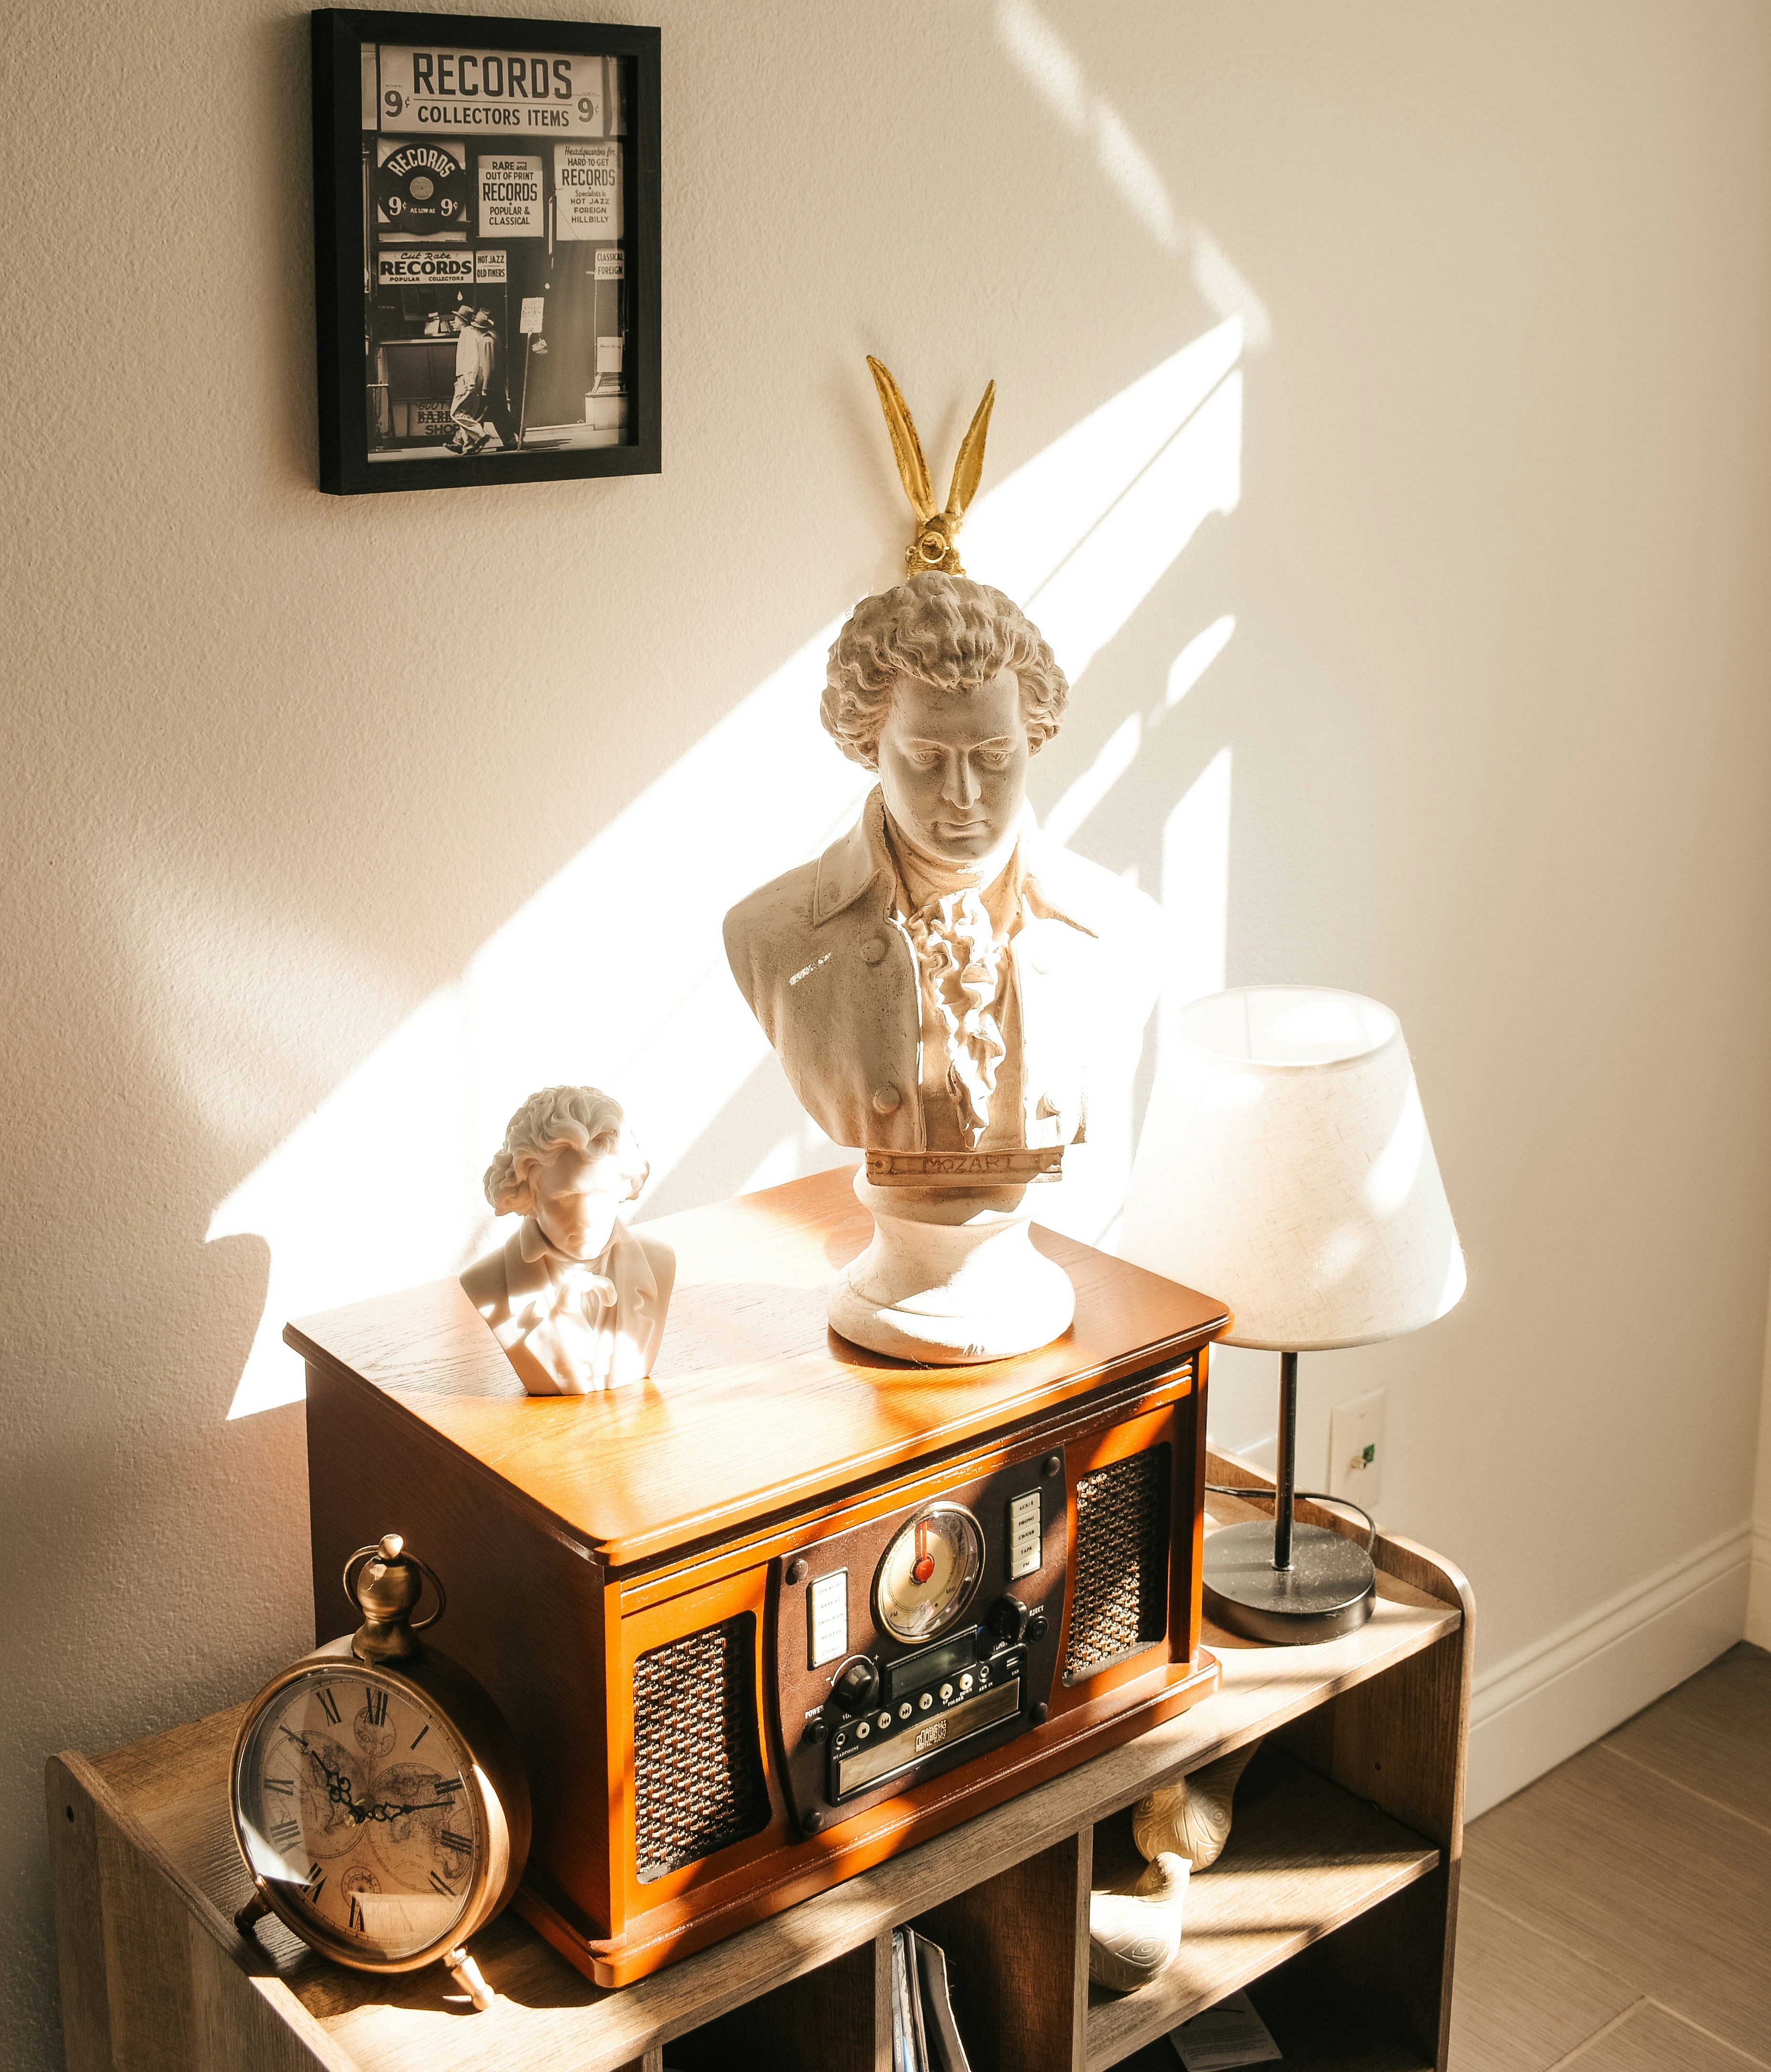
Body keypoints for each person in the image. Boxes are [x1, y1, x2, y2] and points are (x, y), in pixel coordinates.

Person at [723, 574, 1162, 1163]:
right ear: (868, 745)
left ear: (1032, 738)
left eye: (996, 756)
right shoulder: (768, 932)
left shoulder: (1126, 930)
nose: (963, 793)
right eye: (927, 758)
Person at [458, 1086, 676, 1393]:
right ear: (527, 1194)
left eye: (600, 1195)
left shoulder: (659, 1261)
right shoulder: (485, 1282)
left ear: (625, 1185)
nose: (586, 1219)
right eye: (565, 1198)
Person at [469, 307, 520, 453]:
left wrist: (485, 387)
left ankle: (466, 442)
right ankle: (512, 436)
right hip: (497, 384)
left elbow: (488, 366)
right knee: (499, 415)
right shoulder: (495, 336)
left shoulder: (486, 340)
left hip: (491, 385)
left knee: (479, 414)